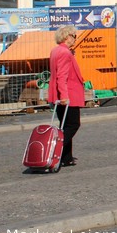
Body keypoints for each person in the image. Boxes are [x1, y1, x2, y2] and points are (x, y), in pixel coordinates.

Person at [48, 25, 85, 167]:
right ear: (66, 36)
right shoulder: (65, 53)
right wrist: (64, 96)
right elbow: (62, 76)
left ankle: (66, 157)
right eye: (74, 36)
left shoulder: (56, 50)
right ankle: (56, 150)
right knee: (73, 124)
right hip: (68, 94)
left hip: (58, 94)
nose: (75, 39)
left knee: (65, 126)